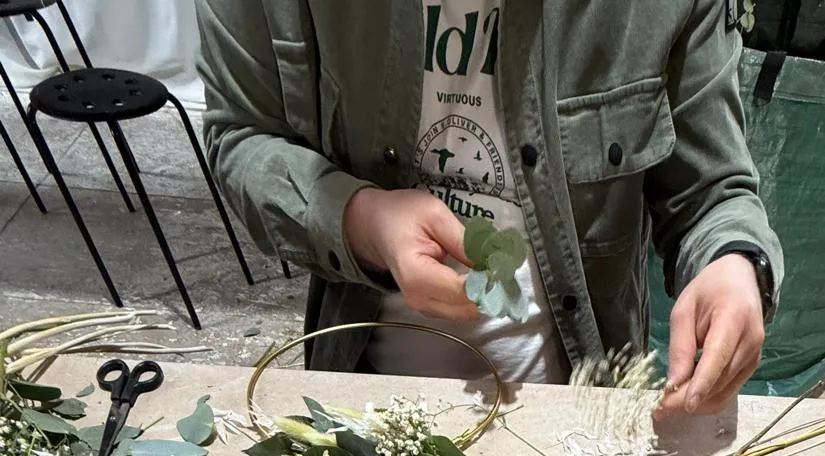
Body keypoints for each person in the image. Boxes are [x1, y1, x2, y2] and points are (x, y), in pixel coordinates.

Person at [194, 0, 782, 412]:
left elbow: (711, 190)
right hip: (363, 395)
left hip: (577, 410)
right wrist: (364, 219)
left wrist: (732, 262)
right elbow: (241, 135)